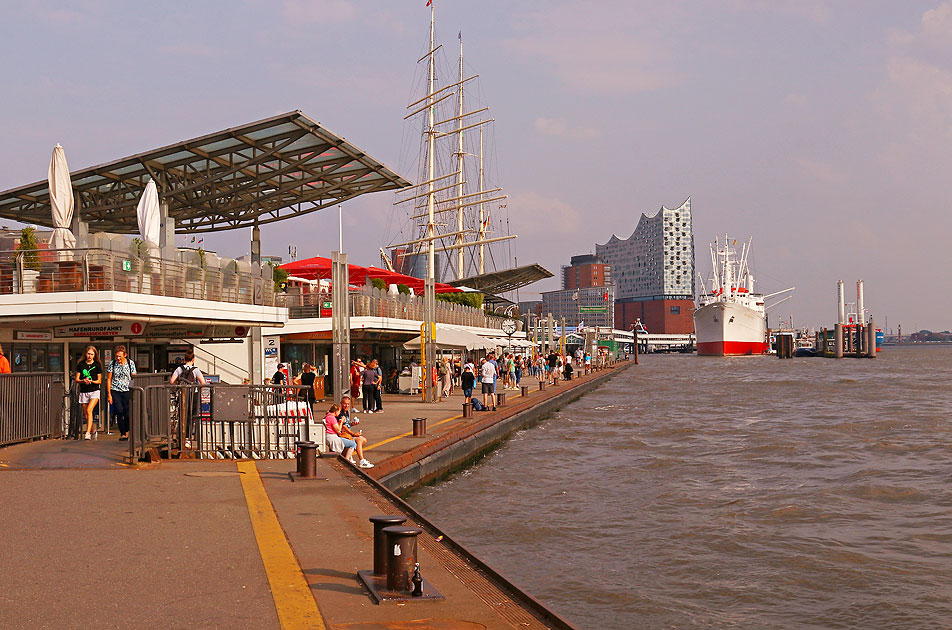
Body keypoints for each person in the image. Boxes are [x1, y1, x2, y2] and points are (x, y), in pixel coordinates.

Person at [323, 403, 373, 468]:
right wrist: (341, 422)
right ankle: (347, 460)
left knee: (357, 441)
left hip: (330, 436)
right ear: (336, 411)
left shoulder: (328, 417)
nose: (339, 413)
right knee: (353, 444)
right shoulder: (332, 418)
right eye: (339, 411)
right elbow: (338, 430)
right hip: (333, 437)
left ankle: (350, 459)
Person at [106, 345, 137, 441]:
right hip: (115, 390)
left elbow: (134, 377)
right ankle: (123, 433)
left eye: (120, 356)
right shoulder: (113, 363)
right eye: (117, 356)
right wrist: (109, 394)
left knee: (127, 413)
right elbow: (109, 379)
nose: (118, 358)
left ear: (125, 355)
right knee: (119, 411)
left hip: (127, 390)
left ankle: (127, 430)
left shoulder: (130, 363)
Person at [75, 345, 102, 440]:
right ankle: (93, 430)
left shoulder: (97, 365)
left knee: (89, 410)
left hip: (94, 390)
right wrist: (83, 380)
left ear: (94, 355)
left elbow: (99, 381)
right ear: (85, 354)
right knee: (86, 413)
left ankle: (87, 433)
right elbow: (77, 379)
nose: (90, 356)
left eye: (92, 354)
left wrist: (92, 381)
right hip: (84, 391)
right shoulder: (81, 364)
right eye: (88, 354)